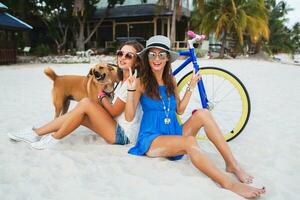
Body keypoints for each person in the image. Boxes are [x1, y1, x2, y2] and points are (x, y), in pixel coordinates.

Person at [125, 35, 266, 199]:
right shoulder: (140, 83)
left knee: (203, 113)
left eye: (161, 54)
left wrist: (190, 87)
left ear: (168, 58)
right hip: (152, 139)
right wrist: (130, 90)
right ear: (147, 57)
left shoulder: (171, 79)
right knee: (190, 141)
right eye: (152, 54)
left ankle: (232, 165)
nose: (157, 59)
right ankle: (229, 183)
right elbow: (129, 117)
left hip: (173, 133)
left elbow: (179, 110)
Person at [8, 40, 143, 149]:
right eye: (121, 53)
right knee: (80, 115)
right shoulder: (121, 78)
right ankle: (35, 133)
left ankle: (53, 139)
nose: (123, 57)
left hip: (122, 135)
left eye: (129, 55)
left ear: (137, 61)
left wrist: (101, 95)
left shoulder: (134, 82)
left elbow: (113, 112)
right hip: (114, 126)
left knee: (85, 102)